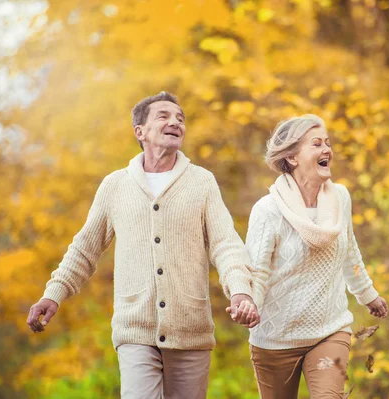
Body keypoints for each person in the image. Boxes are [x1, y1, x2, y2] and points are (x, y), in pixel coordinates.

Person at [26, 91, 259, 399]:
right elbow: (85, 249)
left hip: (190, 331)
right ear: (141, 131)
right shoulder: (115, 185)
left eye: (180, 118)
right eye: (163, 116)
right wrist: (53, 294)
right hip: (135, 329)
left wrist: (241, 290)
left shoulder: (202, 182)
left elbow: (226, 244)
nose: (175, 122)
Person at [244, 114, 389, 398]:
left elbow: (349, 251)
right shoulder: (268, 210)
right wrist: (248, 303)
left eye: (328, 143)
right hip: (275, 339)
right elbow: (257, 271)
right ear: (293, 157)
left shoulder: (340, 198)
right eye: (317, 144)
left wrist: (367, 293)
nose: (327, 150)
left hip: (329, 330)